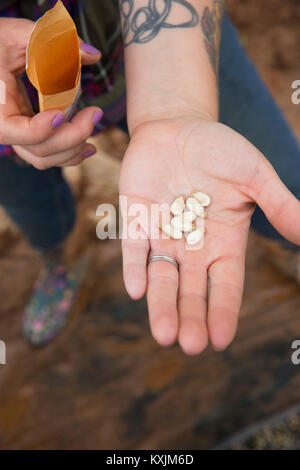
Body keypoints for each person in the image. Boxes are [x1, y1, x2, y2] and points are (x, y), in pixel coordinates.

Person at [0, 0, 300, 353]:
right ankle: (63, 257)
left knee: (279, 176)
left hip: (169, 44)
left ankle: (287, 246)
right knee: (29, 203)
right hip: (13, 84)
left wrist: (176, 108)